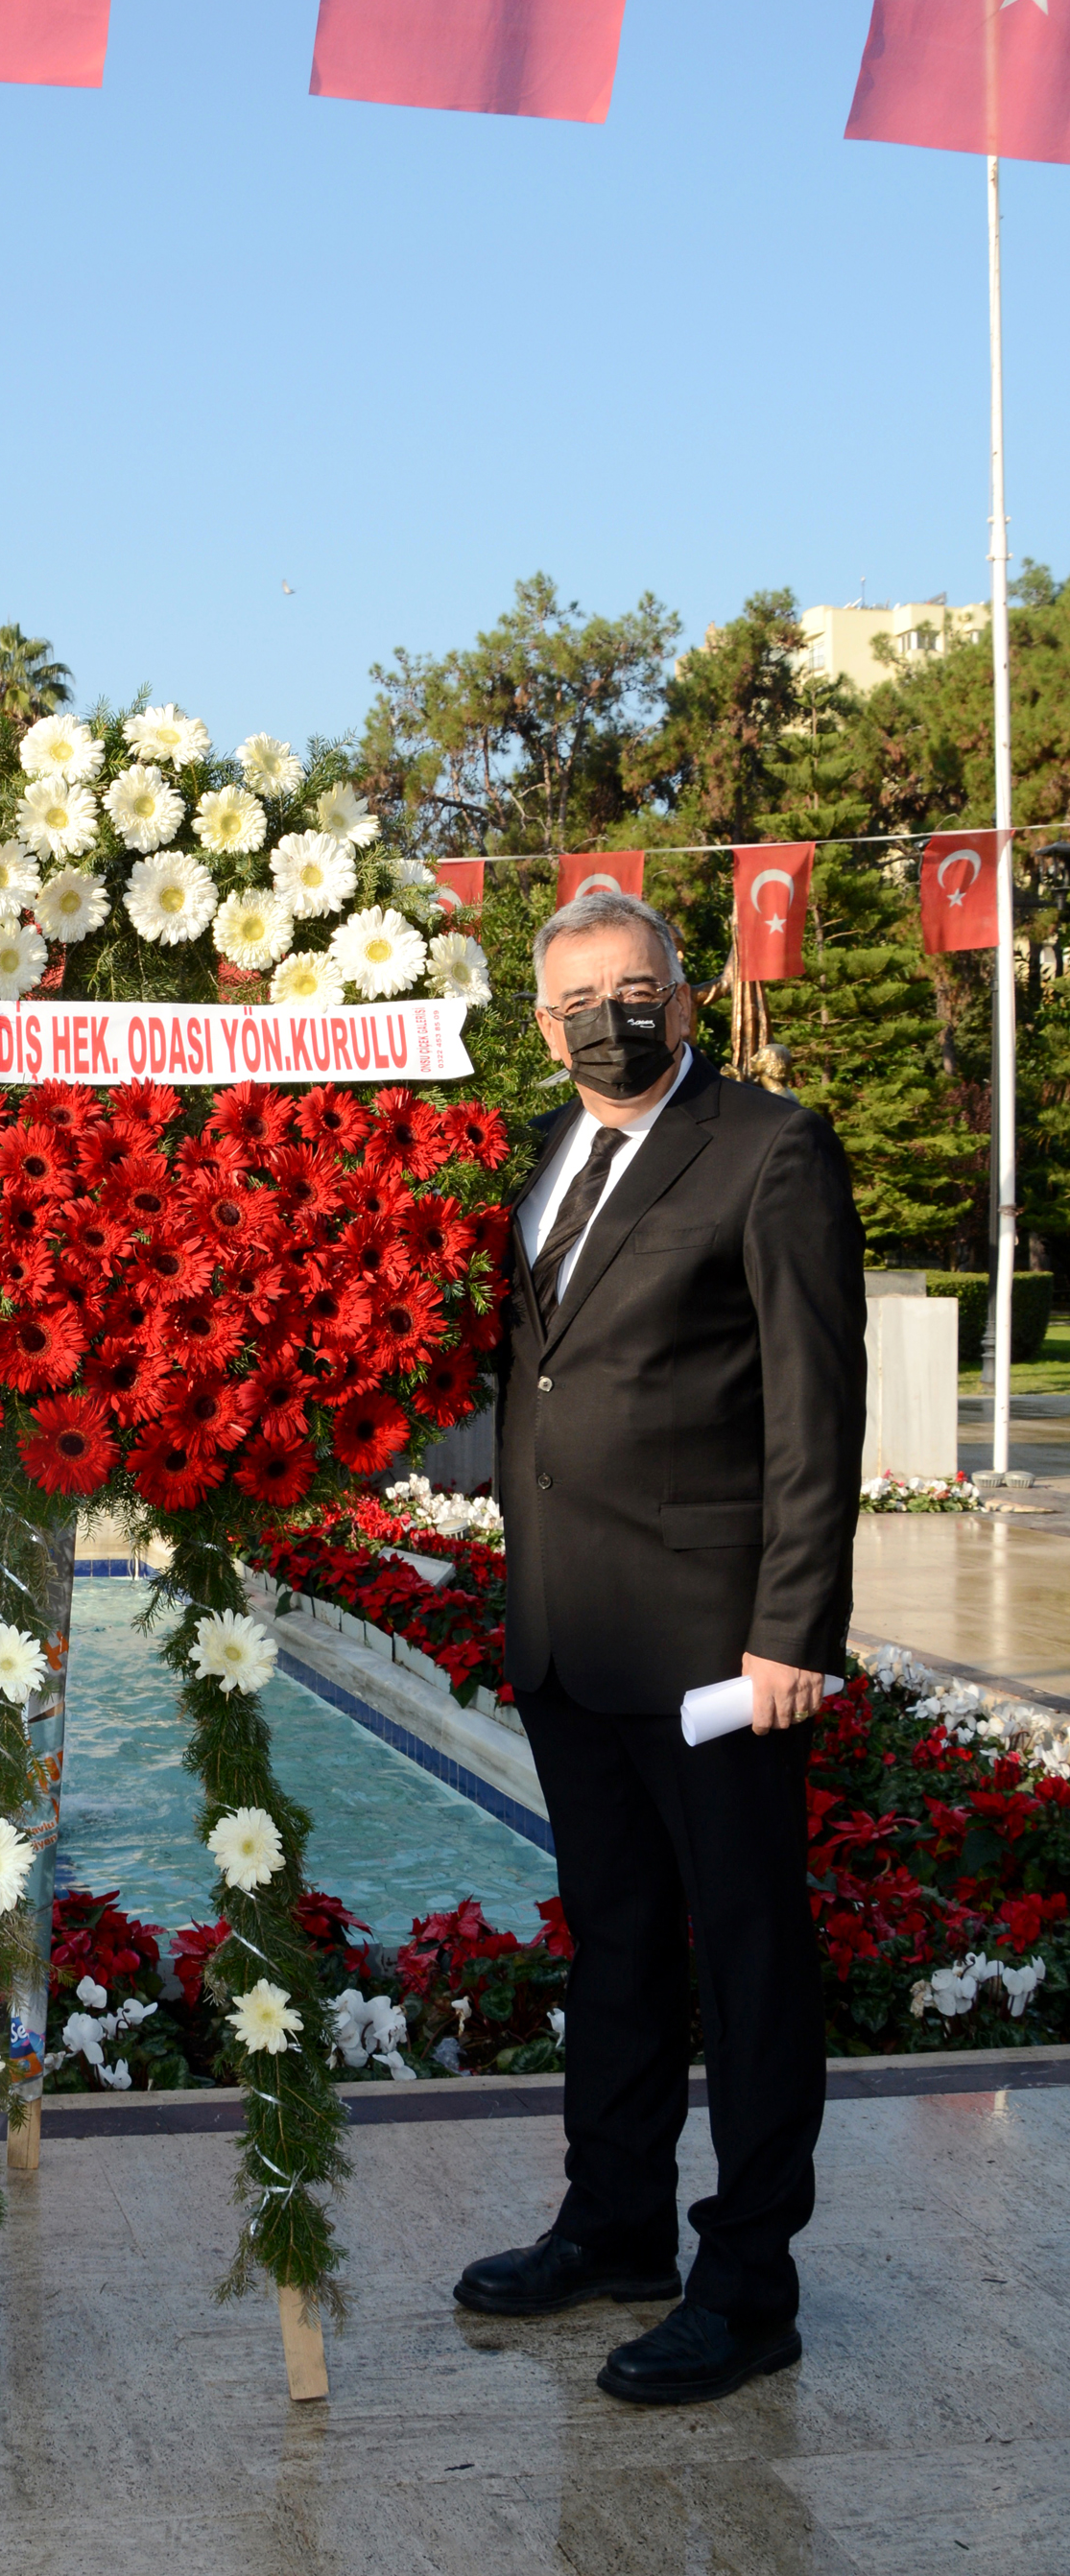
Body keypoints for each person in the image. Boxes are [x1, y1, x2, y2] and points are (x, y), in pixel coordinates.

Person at [455, 888, 867, 2406]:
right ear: (541, 1020)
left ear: (683, 998)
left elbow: (819, 1408)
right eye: (576, 1000)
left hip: (716, 1656)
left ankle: (747, 2280)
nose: (605, 1018)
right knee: (617, 1945)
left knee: (750, 1961)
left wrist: (790, 1632)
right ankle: (616, 2221)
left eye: (633, 989)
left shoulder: (769, 1147)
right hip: (573, 1637)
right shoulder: (539, 1157)